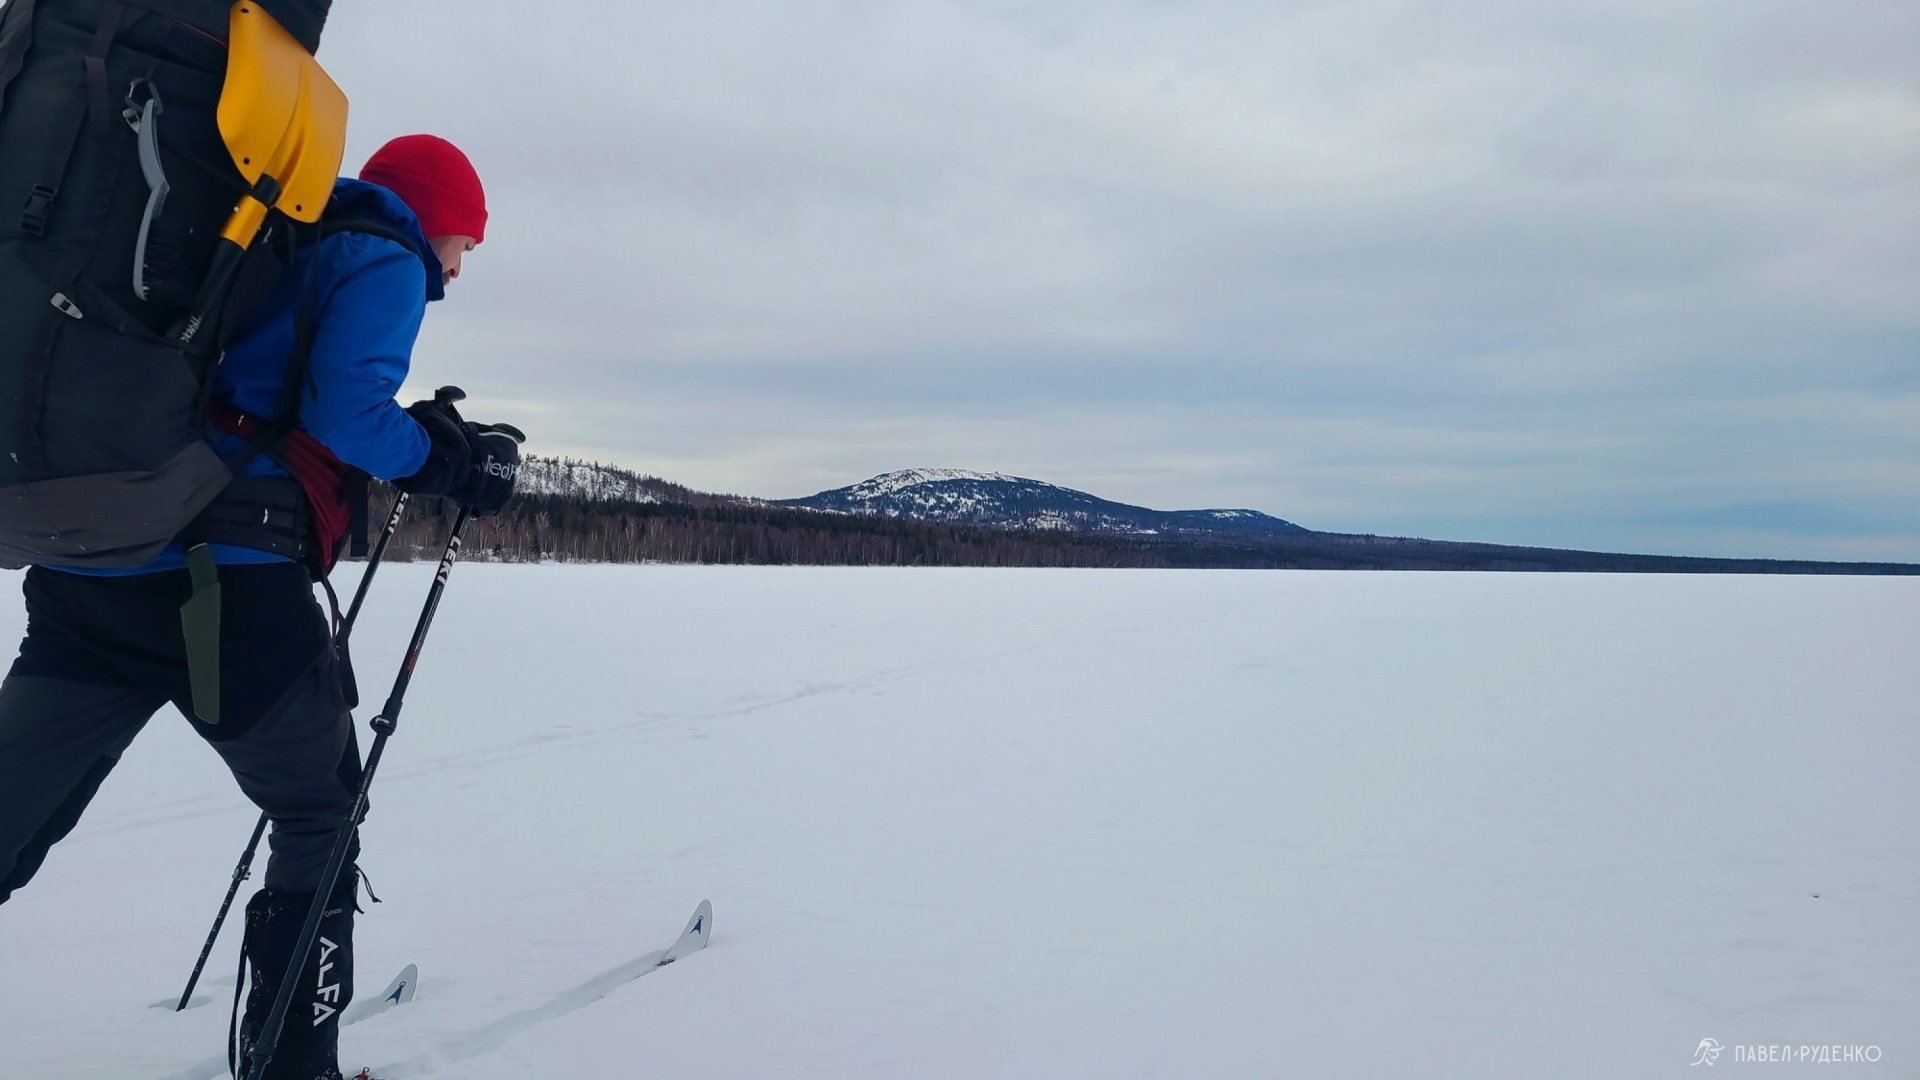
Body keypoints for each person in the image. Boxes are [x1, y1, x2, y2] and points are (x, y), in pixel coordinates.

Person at [0, 134, 520, 1080]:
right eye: (466, 245)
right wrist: (453, 461)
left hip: (93, 568)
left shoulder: (254, 236)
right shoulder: (383, 251)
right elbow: (345, 416)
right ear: (437, 216)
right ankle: (295, 1066)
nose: (457, 265)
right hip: (230, 587)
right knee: (320, 814)